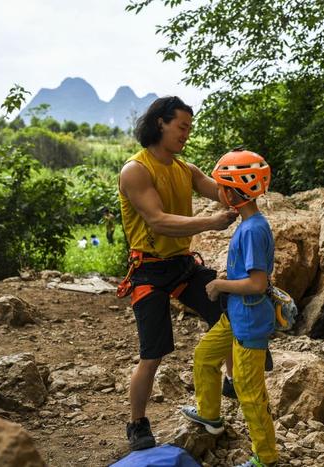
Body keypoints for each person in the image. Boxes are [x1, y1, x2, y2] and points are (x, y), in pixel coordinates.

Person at [118, 96, 238, 451]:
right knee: (153, 353)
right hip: (149, 271)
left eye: (189, 128)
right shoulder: (135, 170)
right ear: (160, 123)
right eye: (182, 126)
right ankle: (137, 423)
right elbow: (158, 220)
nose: (187, 134)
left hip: (183, 265)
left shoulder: (184, 169)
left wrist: (243, 180)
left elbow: (220, 191)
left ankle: (231, 381)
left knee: (227, 310)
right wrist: (211, 223)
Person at [181, 149, 278, 467]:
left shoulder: (252, 230)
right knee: (205, 356)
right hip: (235, 315)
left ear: (233, 191)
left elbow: (257, 284)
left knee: (250, 392)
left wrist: (220, 284)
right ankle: (210, 414)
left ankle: (265, 457)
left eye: (220, 185)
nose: (217, 190)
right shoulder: (250, 224)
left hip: (249, 320)